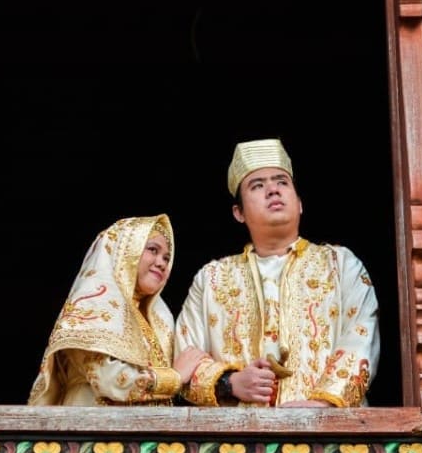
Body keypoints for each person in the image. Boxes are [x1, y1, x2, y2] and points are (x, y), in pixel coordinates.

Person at [174, 139, 380, 407]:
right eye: (257, 185)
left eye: (282, 182)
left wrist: (321, 405)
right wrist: (229, 383)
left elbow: (361, 337)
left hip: (330, 428)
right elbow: (184, 358)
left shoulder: (340, 265)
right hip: (236, 432)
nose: (272, 189)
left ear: (300, 203)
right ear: (238, 213)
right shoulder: (211, 278)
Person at [28, 214, 207, 406]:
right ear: (124, 251)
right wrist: (174, 377)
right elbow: (108, 379)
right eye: (153, 250)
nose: (161, 263)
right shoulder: (92, 305)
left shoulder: (159, 322)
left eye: (167, 258)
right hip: (91, 421)